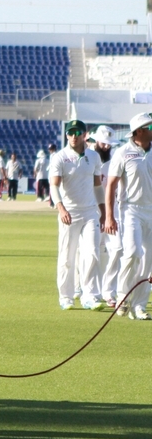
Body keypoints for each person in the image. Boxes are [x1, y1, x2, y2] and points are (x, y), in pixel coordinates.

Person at [49, 119, 105, 311]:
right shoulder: (60, 157)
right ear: (67, 135)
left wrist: (104, 211)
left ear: (84, 135)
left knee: (92, 253)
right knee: (67, 256)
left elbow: (97, 186)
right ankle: (66, 296)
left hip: (90, 212)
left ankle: (89, 295)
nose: (73, 136)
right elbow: (54, 186)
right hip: (69, 212)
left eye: (77, 132)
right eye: (70, 132)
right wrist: (61, 208)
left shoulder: (93, 157)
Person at [104, 113, 152, 320]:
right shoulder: (123, 153)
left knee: (147, 261)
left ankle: (139, 306)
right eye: (149, 127)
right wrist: (109, 216)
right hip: (131, 210)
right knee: (132, 253)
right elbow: (111, 185)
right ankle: (123, 297)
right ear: (139, 131)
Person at [93, 126, 121, 308]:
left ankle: (109, 291)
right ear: (96, 141)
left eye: (108, 144)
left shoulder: (116, 161)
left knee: (117, 248)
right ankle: (90, 291)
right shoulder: (90, 158)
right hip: (92, 210)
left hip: (113, 210)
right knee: (92, 252)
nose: (106, 146)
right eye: (103, 143)